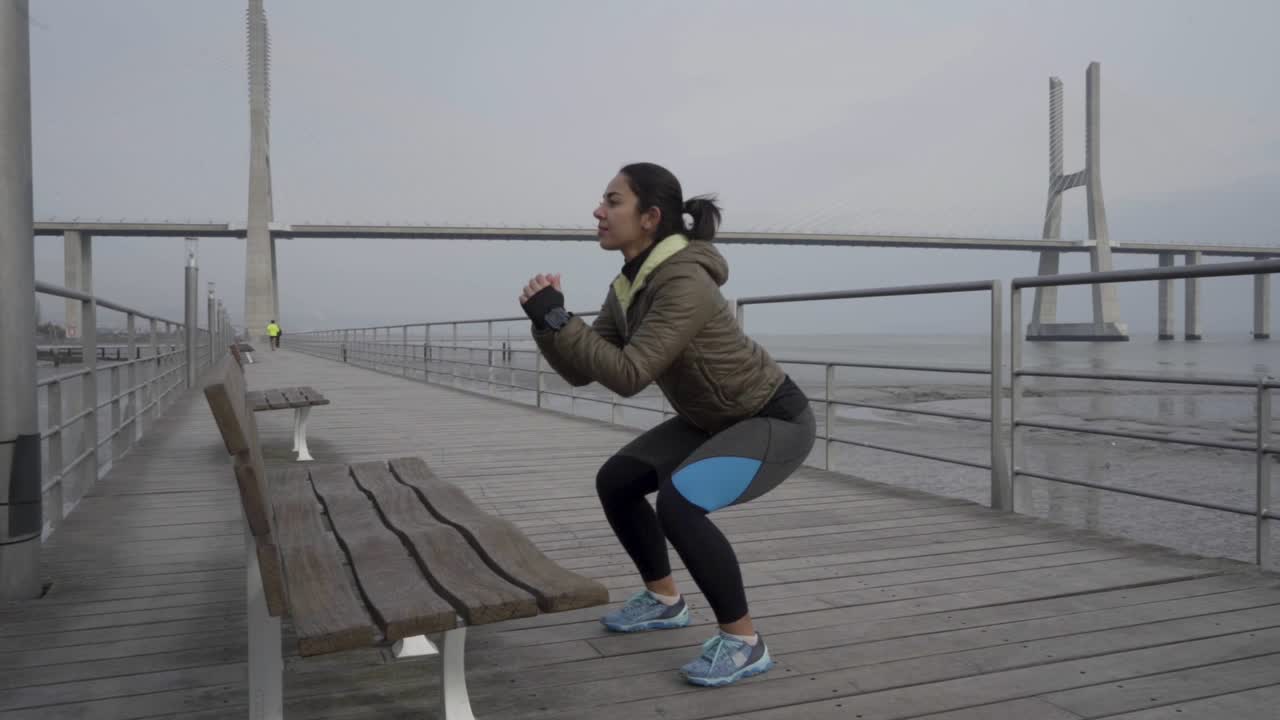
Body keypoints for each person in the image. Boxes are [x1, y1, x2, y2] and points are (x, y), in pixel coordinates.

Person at [519, 162, 815, 687]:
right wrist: (548, 323)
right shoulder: (627, 285)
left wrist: (562, 320)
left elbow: (629, 375)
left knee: (680, 504)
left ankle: (745, 642)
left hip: (773, 418)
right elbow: (584, 370)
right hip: (711, 419)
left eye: (613, 201)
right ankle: (663, 600)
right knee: (617, 481)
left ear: (650, 217)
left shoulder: (684, 280)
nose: (598, 211)